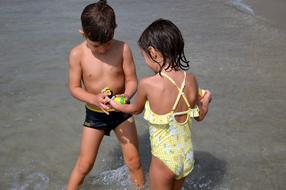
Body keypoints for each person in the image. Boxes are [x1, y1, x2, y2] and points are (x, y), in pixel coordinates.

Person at [108, 19, 212, 190]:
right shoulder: (191, 79)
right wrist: (206, 100)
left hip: (164, 160)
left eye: (144, 56)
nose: (145, 61)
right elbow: (199, 115)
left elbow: (135, 109)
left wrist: (115, 104)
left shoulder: (148, 84)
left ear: (153, 53)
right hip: (185, 157)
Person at [66, 0, 144, 189]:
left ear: (115, 29)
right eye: (96, 46)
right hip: (95, 115)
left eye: (107, 44)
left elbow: (133, 80)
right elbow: (74, 88)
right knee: (85, 164)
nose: (102, 49)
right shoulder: (77, 54)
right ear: (83, 33)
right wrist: (93, 98)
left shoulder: (123, 48)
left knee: (134, 161)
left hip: (122, 112)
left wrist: (125, 96)